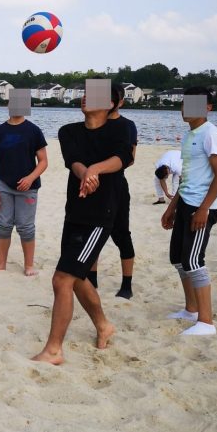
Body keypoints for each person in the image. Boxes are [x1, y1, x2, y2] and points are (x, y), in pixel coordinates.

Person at [31, 86, 132, 365]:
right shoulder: (68, 131)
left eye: (95, 93)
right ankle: (103, 325)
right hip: (74, 212)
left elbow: (123, 158)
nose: (87, 96)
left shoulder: (120, 129)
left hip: (101, 215)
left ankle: (54, 350)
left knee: (62, 278)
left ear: (111, 103)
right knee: (76, 278)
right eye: (86, 92)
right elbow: (73, 162)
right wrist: (85, 172)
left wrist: (96, 169)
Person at [162, 87, 217, 336]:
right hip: (186, 203)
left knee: (193, 260)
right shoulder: (190, 136)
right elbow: (188, 177)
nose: (185, 109)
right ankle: (191, 309)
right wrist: (172, 207)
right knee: (177, 258)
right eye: (184, 104)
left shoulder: (211, 134)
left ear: (208, 107)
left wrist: (204, 209)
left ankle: (206, 321)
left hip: (202, 207)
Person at [87, 84, 137, 299]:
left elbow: (130, 158)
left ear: (119, 102)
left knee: (121, 234)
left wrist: (102, 167)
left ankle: (127, 285)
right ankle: (92, 279)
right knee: (91, 232)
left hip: (115, 186)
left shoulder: (126, 126)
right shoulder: (91, 123)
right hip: (90, 185)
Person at [0, 112, 48, 276]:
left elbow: (43, 161)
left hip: (28, 187)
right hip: (3, 185)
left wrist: (30, 178)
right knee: (3, 225)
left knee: (25, 227)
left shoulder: (34, 131)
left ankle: (29, 265)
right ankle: (1, 263)